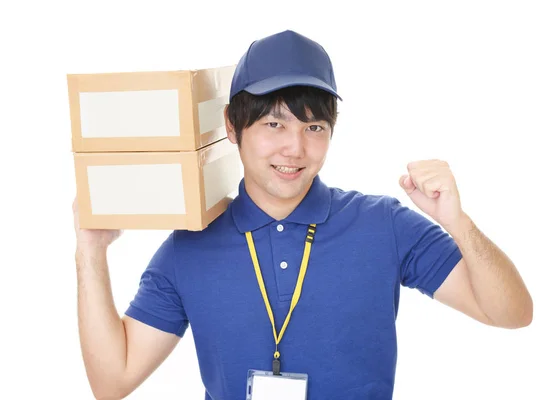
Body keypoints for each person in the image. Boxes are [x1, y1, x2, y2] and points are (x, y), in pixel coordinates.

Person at [73, 30, 533, 400]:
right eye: (274, 124)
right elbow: (112, 382)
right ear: (233, 125)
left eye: (314, 127)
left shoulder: (385, 226)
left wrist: (457, 221)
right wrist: (90, 251)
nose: (295, 149)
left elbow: (512, 313)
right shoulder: (189, 246)